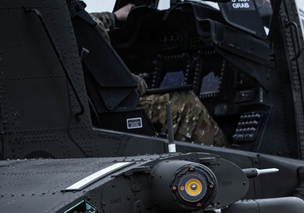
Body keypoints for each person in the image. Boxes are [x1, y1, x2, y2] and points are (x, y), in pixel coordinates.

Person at [91, 3, 228, 147]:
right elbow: (116, 80)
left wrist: (115, 17)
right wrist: (141, 81)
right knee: (185, 102)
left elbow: (89, 22)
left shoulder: (71, 26)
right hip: (110, 107)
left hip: (94, 107)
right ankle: (229, 162)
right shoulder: (83, 29)